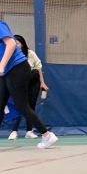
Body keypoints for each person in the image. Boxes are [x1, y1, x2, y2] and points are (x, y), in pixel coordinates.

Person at [0, 20, 57, 148]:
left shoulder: (0, 25)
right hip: (6, 72)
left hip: (17, 68)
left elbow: (11, 44)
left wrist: (2, 65)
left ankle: (47, 135)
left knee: (22, 105)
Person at [8, 35, 48, 140]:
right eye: (14, 43)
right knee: (18, 105)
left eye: (18, 43)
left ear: (23, 44)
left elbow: (39, 68)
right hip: (19, 82)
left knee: (30, 106)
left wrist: (42, 83)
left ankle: (29, 131)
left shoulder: (30, 54)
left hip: (33, 81)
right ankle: (14, 131)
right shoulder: (10, 54)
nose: (16, 45)